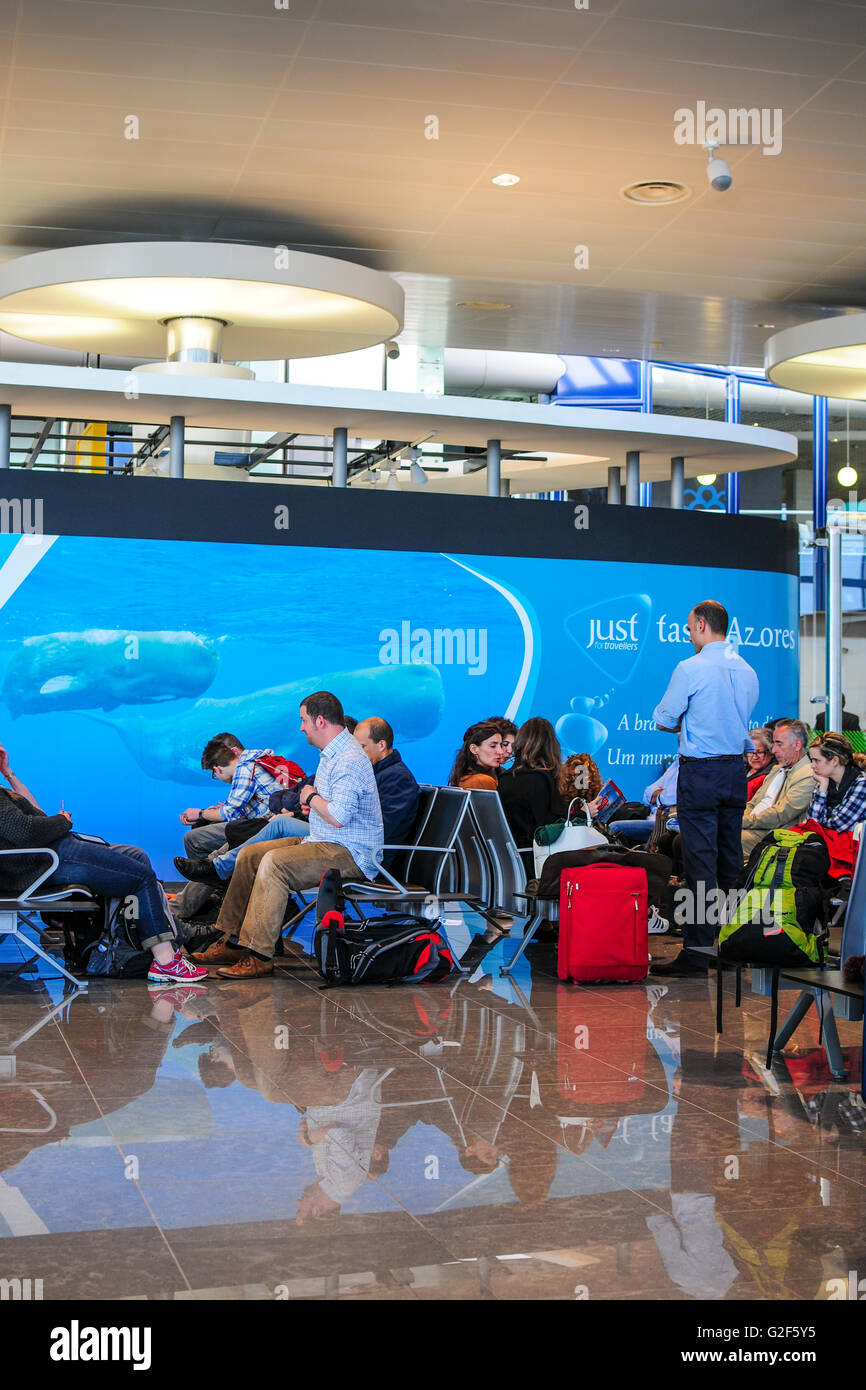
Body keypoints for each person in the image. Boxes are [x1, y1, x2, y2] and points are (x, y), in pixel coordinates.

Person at [190, 691, 383, 980]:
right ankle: (232, 940)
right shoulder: (333, 754)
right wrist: (312, 803)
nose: (301, 727)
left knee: (274, 863)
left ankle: (259, 955)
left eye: (304, 720)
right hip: (324, 840)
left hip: (351, 853)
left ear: (320, 720)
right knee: (250, 854)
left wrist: (312, 796)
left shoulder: (348, 759)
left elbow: (339, 817)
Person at [0, 741, 206, 986]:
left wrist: (8, 773)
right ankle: (166, 963)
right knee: (141, 877)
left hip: (50, 855)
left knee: (135, 856)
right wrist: (62, 822)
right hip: (49, 860)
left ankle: (156, 941)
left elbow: (36, 813)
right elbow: (26, 831)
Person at [650, 600, 759, 976]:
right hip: (734, 772)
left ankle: (697, 953)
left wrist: (680, 721)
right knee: (729, 861)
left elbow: (665, 717)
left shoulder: (690, 667)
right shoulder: (747, 669)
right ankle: (729, 948)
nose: (687, 634)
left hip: (701, 773)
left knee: (700, 863)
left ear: (699, 625)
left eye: (688, 627)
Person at [178, 735, 282, 860]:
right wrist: (211, 813)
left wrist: (200, 813)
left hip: (264, 826)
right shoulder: (257, 758)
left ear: (217, 769)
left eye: (214, 774)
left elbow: (227, 813)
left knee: (192, 839)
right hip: (266, 820)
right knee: (205, 823)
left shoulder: (245, 768)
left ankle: (210, 877)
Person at [740, 719, 813, 857]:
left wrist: (745, 821)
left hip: (773, 834)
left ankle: (704, 879)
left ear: (797, 745)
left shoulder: (807, 774)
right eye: (773, 743)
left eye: (779, 744)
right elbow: (753, 803)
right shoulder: (777, 769)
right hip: (754, 826)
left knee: (720, 839)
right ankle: (697, 878)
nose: (773, 750)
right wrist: (742, 817)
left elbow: (781, 814)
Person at [498, 717, 566, 862]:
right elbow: (551, 831)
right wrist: (584, 813)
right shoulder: (539, 779)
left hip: (510, 860)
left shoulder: (504, 779)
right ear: (550, 746)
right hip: (538, 861)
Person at [353, 716, 420, 859]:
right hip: (350, 846)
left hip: (367, 857)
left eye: (362, 747)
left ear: (381, 745)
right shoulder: (376, 772)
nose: (356, 754)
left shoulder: (398, 779)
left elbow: (378, 830)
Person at [614, 755, 680, 846]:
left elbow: (671, 798)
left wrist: (660, 795)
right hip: (650, 816)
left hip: (666, 822)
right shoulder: (677, 764)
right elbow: (647, 794)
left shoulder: (693, 767)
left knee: (614, 827)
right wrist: (663, 794)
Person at [807, 732, 866, 830]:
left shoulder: (861, 784)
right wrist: (822, 789)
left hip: (851, 844)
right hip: (829, 843)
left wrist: (823, 820)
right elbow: (811, 823)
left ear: (835, 760)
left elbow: (837, 826)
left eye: (817, 760)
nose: (812, 766)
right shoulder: (825, 780)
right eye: (811, 760)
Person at [448, 721, 503, 790]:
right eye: (493, 746)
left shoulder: (464, 777)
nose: (501, 751)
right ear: (474, 749)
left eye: (501, 745)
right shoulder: (482, 781)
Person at [746, 727, 775, 800]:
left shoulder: (769, 777)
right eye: (750, 751)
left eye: (759, 752)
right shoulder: (742, 768)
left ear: (771, 752)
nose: (754, 757)